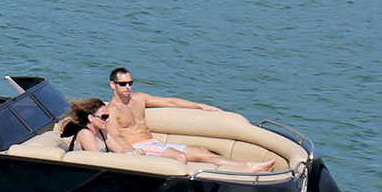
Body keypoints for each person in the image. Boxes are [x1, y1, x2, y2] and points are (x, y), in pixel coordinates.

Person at [102, 67, 274, 172]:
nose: (128, 87)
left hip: (154, 143)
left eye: (130, 83)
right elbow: (115, 137)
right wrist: (131, 154)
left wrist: (201, 106)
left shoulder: (139, 98)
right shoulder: (113, 110)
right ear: (112, 85)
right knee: (179, 157)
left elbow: (170, 102)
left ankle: (246, 167)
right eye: (122, 84)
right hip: (138, 147)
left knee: (200, 151)